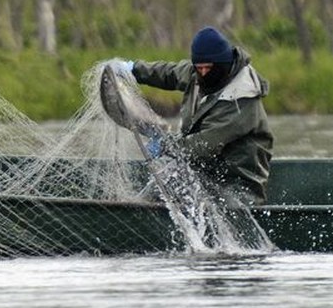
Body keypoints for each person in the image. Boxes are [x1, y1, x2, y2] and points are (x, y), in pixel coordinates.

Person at [117, 26, 274, 205]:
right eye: (199, 68)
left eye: (208, 68)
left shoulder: (241, 100)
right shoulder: (199, 72)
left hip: (237, 187)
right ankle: (139, 211)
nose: (204, 73)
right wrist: (133, 69)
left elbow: (203, 146)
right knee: (164, 180)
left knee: (172, 179)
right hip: (205, 173)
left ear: (223, 64)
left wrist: (165, 145)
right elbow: (169, 73)